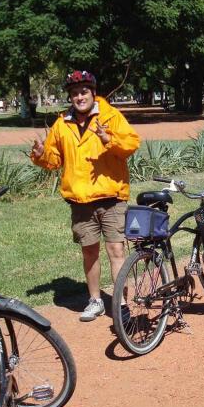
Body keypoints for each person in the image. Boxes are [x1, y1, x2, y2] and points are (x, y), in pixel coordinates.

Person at [30, 70, 140, 322]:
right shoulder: (62, 124)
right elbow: (54, 160)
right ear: (70, 97)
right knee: (89, 252)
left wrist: (107, 138)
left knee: (116, 249)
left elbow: (131, 145)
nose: (79, 97)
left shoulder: (111, 116)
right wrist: (39, 154)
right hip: (80, 200)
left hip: (111, 195)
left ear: (93, 92)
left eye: (84, 92)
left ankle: (121, 304)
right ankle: (95, 300)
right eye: (74, 93)